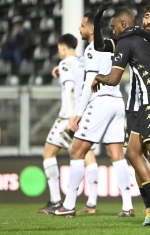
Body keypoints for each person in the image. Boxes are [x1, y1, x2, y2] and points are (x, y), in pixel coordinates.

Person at [91, 8, 150, 227]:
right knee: (133, 154)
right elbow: (101, 45)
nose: (112, 32)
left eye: (113, 27)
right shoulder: (132, 39)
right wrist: (98, 22)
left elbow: (115, 78)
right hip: (139, 105)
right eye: (146, 16)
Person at [50, 12, 133, 218]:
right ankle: (128, 205)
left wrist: (78, 112)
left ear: (91, 29)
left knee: (77, 152)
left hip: (101, 102)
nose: (79, 29)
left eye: (82, 25)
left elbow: (89, 82)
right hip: (117, 101)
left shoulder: (92, 49)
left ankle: (68, 204)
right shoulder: (114, 47)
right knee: (117, 155)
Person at [37, 33, 96, 214]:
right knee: (88, 156)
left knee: (48, 154)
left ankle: (55, 200)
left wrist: (70, 116)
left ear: (62, 47)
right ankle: (92, 203)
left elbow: (70, 88)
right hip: (84, 115)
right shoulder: (84, 62)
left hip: (67, 118)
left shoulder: (65, 64)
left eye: (58, 48)